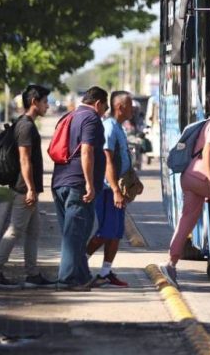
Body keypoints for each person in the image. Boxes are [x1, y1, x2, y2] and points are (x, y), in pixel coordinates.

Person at [0, 85, 56, 289]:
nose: (47, 106)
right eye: (44, 101)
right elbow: (25, 160)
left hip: (26, 187)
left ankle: (33, 274)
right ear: (34, 102)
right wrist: (31, 189)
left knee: (34, 232)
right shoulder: (26, 127)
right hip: (23, 188)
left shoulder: (25, 124)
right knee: (15, 230)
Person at [51, 86, 109, 291]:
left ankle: (83, 276)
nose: (105, 112)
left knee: (76, 235)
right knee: (74, 236)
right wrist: (90, 184)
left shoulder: (70, 116)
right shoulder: (91, 118)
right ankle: (67, 280)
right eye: (106, 107)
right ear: (98, 103)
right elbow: (86, 152)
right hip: (78, 185)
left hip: (60, 182)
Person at [86, 90, 134, 288]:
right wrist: (115, 189)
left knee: (115, 233)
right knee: (106, 232)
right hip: (107, 191)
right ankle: (78, 262)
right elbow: (107, 159)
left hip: (117, 189)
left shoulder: (119, 128)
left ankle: (105, 273)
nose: (133, 109)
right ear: (120, 107)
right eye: (130, 105)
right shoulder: (109, 127)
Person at [160, 117, 210, 289]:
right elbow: (208, 151)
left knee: (187, 219)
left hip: (189, 175)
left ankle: (171, 263)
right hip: (201, 176)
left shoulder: (206, 122)